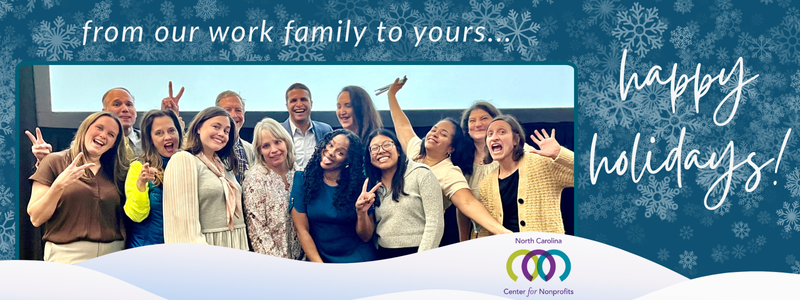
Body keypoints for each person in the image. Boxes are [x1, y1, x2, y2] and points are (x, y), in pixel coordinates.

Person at [386, 77, 511, 245]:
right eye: (433, 130)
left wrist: (502, 232)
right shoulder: (416, 149)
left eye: (443, 134)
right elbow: (402, 126)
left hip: (417, 242)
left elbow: (467, 203)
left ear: (451, 148)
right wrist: (391, 95)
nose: (434, 134)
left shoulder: (449, 172)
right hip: (387, 237)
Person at [28, 111, 130, 264]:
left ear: (114, 143)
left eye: (111, 134)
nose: (103, 135)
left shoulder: (118, 171)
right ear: (85, 129)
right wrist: (59, 185)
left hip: (113, 254)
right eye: (99, 128)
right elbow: (36, 218)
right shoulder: (53, 161)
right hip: (68, 256)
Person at [163, 106, 248, 250]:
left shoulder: (224, 165)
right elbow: (182, 225)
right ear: (198, 128)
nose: (222, 134)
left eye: (226, 131)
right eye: (216, 127)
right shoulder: (184, 160)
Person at [476, 115, 574, 237]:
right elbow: (489, 228)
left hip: (545, 251)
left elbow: (589, 177)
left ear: (516, 139)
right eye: (490, 134)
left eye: (502, 132)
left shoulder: (542, 163)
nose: (494, 137)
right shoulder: (486, 184)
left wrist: (559, 153)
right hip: (508, 252)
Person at [290, 129, 378, 263]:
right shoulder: (302, 180)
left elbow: (366, 237)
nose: (331, 152)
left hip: (357, 259)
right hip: (319, 259)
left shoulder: (360, 185)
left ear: (348, 160)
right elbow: (302, 230)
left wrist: (361, 213)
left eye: (340, 152)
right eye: (330, 145)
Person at [360, 129, 444, 259]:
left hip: (418, 252)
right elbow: (369, 234)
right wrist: (361, 211)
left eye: (387, 144)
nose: (381, 150)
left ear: (398, 150)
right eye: (374, 148)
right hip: (384, 255)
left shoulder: (421, 174)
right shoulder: (371, 185)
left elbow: (435, 222)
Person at [458, 101, 533, 240]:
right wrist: (463, 241)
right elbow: (463, 206)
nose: (478, 124)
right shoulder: (462, 162)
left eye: (484, 118)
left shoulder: (522, 151)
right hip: (483, 239)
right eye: (472, 121)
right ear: (467, 129)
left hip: (522, 235)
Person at [25, 87, 142, 166]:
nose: (125, 109)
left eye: (129, 104)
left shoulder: (149, 140)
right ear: (104, 111)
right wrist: (44, 160)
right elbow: (63, 171)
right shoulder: (89, 142)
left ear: (135, 111)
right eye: (117, 104)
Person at [242, 117, 302, 259]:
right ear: (259, 150)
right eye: (266, 146)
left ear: (286, 142)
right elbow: (257, 230)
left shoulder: (298, 173)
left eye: (277, 142)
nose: (274, 150)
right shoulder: (255, 178)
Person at [123, 109, 183, 248]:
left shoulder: (191, 164)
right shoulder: (139, 167)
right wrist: (141, 184)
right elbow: (136, 215)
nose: (167, 137)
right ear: (150, 139)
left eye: (171, 130)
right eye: (159, 133)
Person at [281, 83, 333, 170]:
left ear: (311, 103)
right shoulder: (277, 132)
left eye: (303, 99)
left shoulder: (326, 131)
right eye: (293, 100)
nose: (299, 104)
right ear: (287, 106)